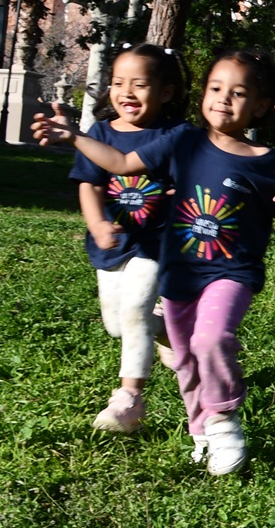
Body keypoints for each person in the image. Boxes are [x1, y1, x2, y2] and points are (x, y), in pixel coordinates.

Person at [36, 50, 275, 476]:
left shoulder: (266, 161)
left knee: (210, 339)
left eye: (237, 93)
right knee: (183, 358)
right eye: (215, 89)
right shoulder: (183, 141)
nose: (223, 99)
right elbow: (123, 163)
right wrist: (74, 137)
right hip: (180, 273)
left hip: (230, 273)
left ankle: (223, 421)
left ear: (259, 105)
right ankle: (200, 431)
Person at [68, 43, 188, 433]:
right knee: (119, 325)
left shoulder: (173, 135)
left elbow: (190, 178)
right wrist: (98, 224)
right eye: (118, 83)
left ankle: (129, 400)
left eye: (139, 84)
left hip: (155, 242)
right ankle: (171, 332)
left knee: (136, 308)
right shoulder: (100, 133)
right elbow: (89, 185)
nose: (126, 92)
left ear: (166, 92)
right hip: (112, 242)